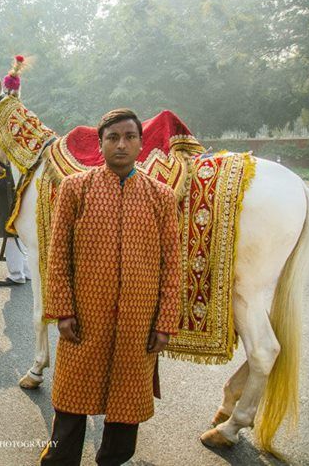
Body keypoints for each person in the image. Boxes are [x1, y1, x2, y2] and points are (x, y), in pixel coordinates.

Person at [39, 109, 181, 465]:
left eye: (130, 137)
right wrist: (64, 311)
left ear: (141, 144)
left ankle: (112, 460)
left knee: (126, 405)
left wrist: (164, 323)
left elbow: (171, 266)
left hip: (138, 320)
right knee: (71, 401)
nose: (121, 144)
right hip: (85, 318)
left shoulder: (161, 196)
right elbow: (58, 257)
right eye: (113, 137)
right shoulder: (76, 189)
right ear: (99, 144)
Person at [0, 162, 31, 286]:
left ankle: (16, 275)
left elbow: (8, 184)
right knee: (19, 238)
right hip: (21, 203)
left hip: (12, 202)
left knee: (11, 238)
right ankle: (26, 271)